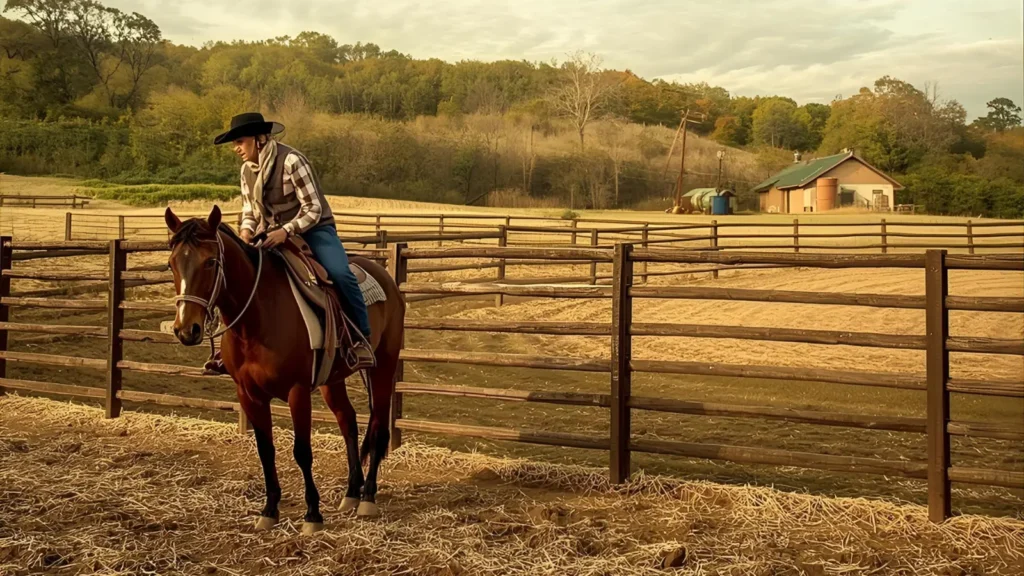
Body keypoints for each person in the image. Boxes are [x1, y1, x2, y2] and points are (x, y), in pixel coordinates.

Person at [203, 112, 374, 374]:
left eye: (240, 141)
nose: (236, 148)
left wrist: (286, 231)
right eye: (235, 143)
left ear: (259, 139)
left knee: (340, 273)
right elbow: (249, 210)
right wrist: (245, 233)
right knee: (237, 275)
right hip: (269, 233)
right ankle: (230, 349)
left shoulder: (292, 161)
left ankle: (361, 338)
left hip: (313, 230)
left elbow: (313, 208)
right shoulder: (246, 171)